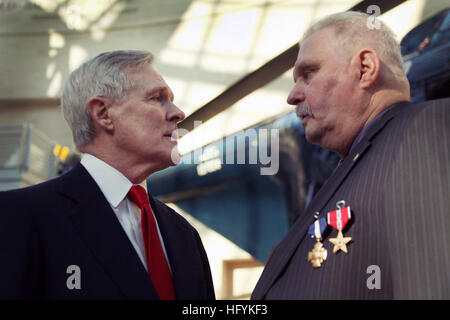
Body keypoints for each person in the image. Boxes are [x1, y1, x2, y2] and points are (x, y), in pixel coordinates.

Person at [252, 12, 450, 299]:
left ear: (365, 68)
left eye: (308, 74)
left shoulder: (429, 132)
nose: (292, 96)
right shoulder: (356, 163)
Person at [0, 50, 215, 300]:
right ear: (103, 113)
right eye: (157, 98)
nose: (178, 113)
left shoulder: (185, 235)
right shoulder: (17, 217)